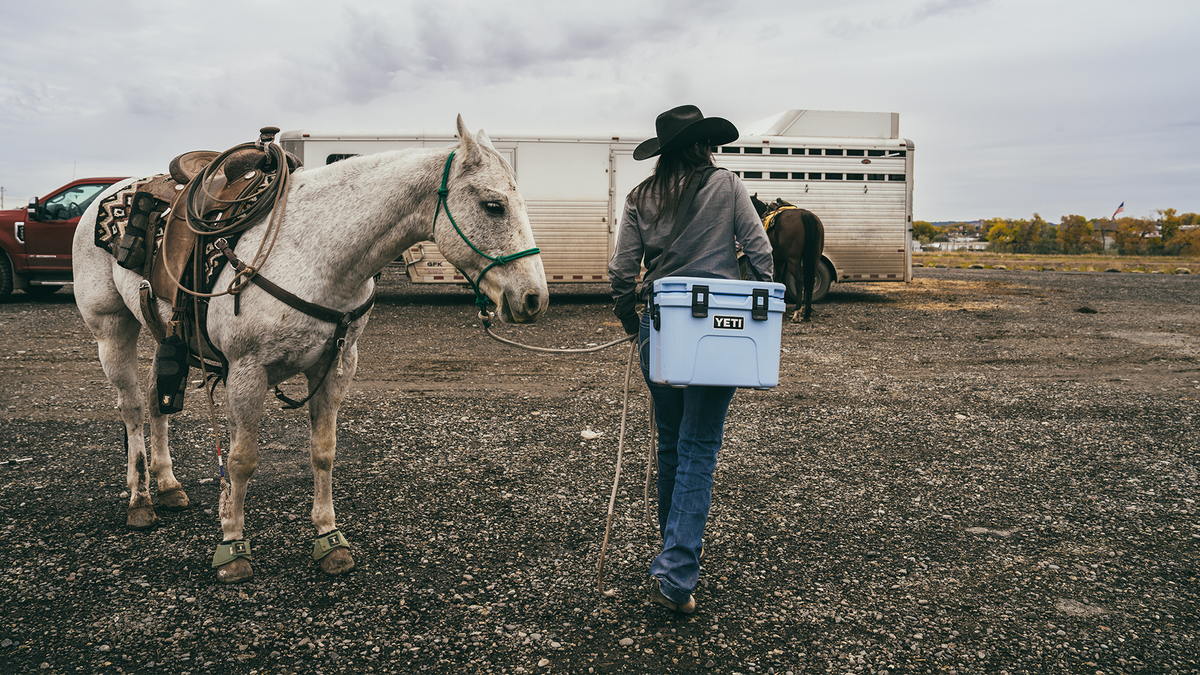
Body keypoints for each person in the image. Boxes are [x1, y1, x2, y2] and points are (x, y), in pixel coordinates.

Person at [609, 105, 774, 613]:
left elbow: (621, 270)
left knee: (670, 445)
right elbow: (760, 251)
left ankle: (671, 556)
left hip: (661, 326)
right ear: (702, 143)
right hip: (718, 330)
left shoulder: (640, 195)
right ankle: (677, 574)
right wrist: (759, 301)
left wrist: (628, 318)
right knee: (699, 447)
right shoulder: (727, 185)